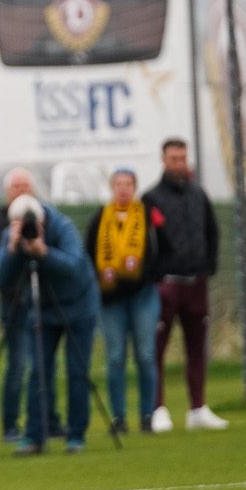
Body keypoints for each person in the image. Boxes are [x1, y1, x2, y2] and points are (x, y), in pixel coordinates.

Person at [0, 175, 100, 455]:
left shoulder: (62, 226)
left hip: (78, 307)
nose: (29, 229)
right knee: (38, 372)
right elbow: (1, 276)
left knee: (77, 372)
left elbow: (74, 266)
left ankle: (76, 435)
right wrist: (14, 248)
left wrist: (44, 252)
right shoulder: (11, 232)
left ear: (43, 221)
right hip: (41, 309)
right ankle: (35, 436)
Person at [142, 138, 227, 431]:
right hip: (166, 284)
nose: (179, 162)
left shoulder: (197, 194)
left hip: (196, 282)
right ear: (163, 160)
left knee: (196, 347)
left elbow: (212, 231)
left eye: (182, 157)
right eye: (173, 158)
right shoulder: (151, 197)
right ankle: (158, 409)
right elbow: (146, 243)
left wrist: (208, 266)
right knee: (157, 347)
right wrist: (156, 275)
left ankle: (197, 409)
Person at [87, 168, 166, 437]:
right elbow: (89, 252)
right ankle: (118, 418)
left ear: (135, 187)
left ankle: (147, 415)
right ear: (112, 187)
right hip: (111, 299)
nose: (123, 189)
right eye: (118, 184)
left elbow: (163, 247)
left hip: (143, 295)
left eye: (128, 184)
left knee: (145, 355)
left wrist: (148, 277)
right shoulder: (101, 217)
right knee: (116, 357)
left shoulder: (146, 213)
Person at [0, 170, 38, 444]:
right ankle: (10, 423)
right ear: (7, 192)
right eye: (16, 187)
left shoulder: (42, 220)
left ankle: (44, 419)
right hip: (14, 303)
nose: (22, 191)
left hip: (42, 302)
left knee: (42, 364)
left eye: (26, 186)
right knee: (18, 365)